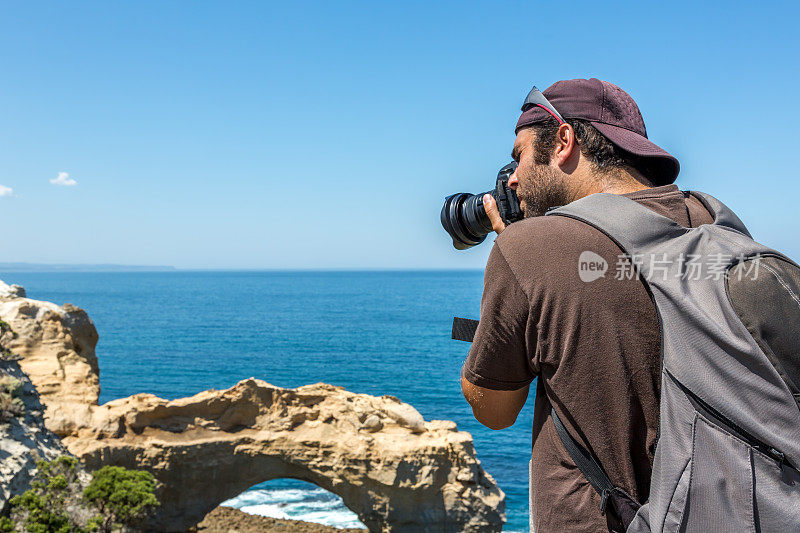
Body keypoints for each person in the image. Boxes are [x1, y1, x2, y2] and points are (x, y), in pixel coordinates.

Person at [459, 78, 714, 532]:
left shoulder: (529, 248)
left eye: (518, 155)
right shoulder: (711, 223)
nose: (512, 179)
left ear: (563, 141)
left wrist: (516, 255)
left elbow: (493, 410)